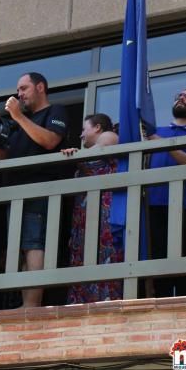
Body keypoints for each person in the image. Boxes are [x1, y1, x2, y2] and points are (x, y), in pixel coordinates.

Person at [0, 72, 70, 308]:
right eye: (18, 89)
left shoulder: (55, 111)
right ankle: (27, 302)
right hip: (15, 192)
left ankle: (32, 306)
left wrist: (17, 117)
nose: (19, 94)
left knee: (34, 244)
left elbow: (50, 141)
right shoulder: (19, 122)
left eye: (24, 88)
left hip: (38, 189)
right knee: (22, 248)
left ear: (40, 87)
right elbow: (5, 159)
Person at [146, 89, 186, 297]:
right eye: (179, 95)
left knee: (181, 263)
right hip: (149, 205)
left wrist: (161, 143)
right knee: (154, 263)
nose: (181, 98)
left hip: (181, 206)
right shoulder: (155, 131)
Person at [61, 113, 122, 303]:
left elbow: (99, 151)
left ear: (97, 128)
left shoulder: (109, 136)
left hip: (103, 211)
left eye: (83, 129)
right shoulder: (90, 146)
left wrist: (76, 155)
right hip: (87, 215)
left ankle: (105, 298)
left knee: (104, 253)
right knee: (86, 254)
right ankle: (86, 299)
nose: (81, 135)